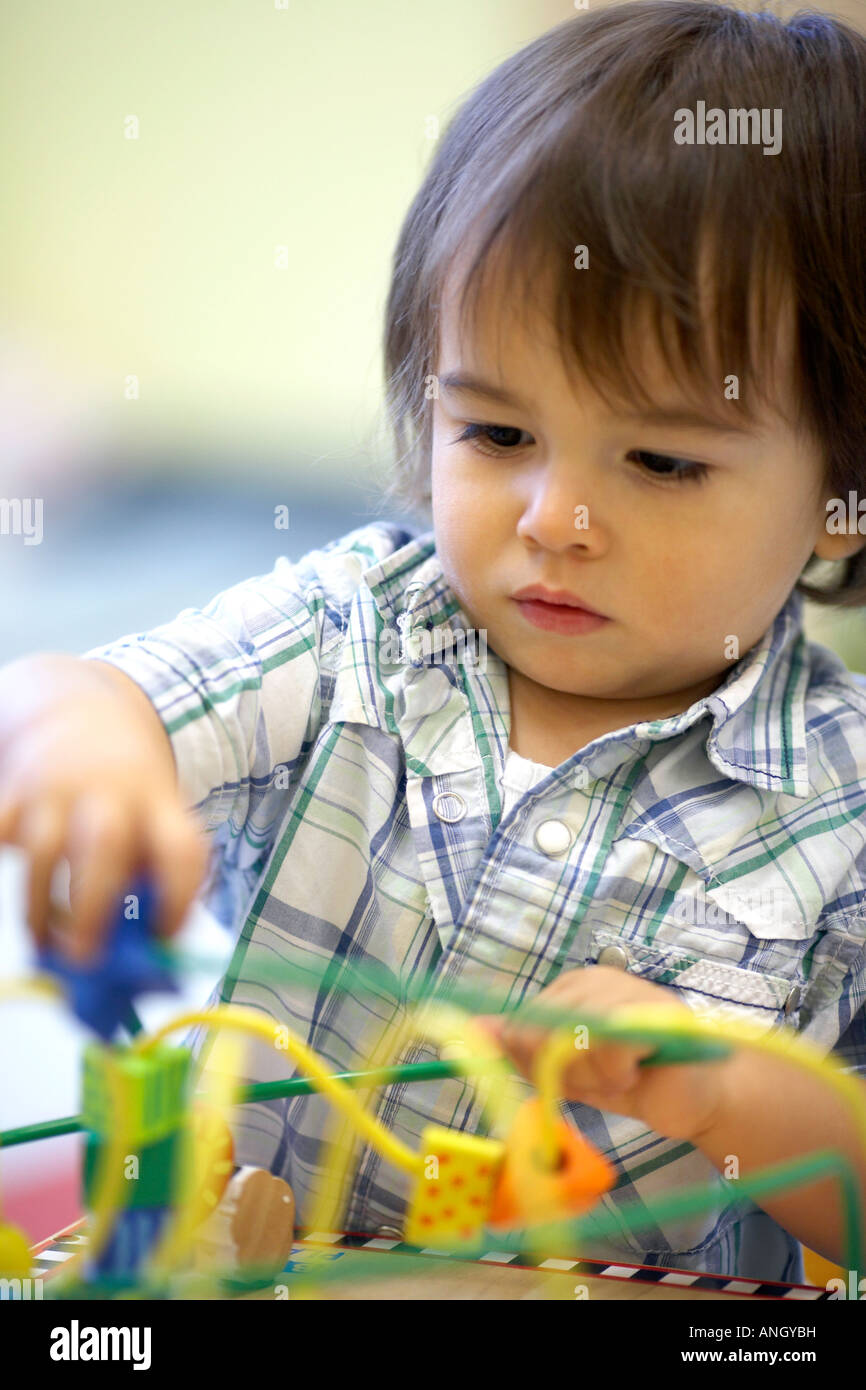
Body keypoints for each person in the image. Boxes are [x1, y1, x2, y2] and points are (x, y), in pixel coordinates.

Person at [3, 1, 866, 1283]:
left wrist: (731, 1098)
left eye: (662, 461)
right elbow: (76, 686)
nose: (555, 521)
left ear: (841, 497)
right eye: (496, 435)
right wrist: (83, 754)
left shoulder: (838, 813)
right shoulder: (352, 631)